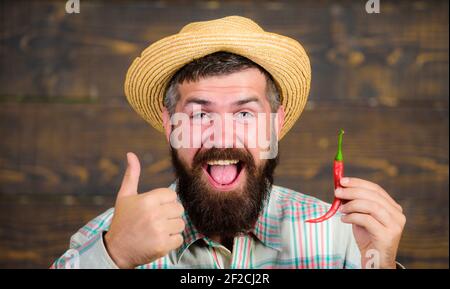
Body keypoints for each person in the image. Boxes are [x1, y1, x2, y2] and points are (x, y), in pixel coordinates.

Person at [52, 16, 405, 269]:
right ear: (168, 123)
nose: (222, 136)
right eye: (201, 115)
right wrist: (114, 257)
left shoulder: (343, 238)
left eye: (245, 115)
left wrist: (381, 263)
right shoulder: (108, 239)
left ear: (275, 124)